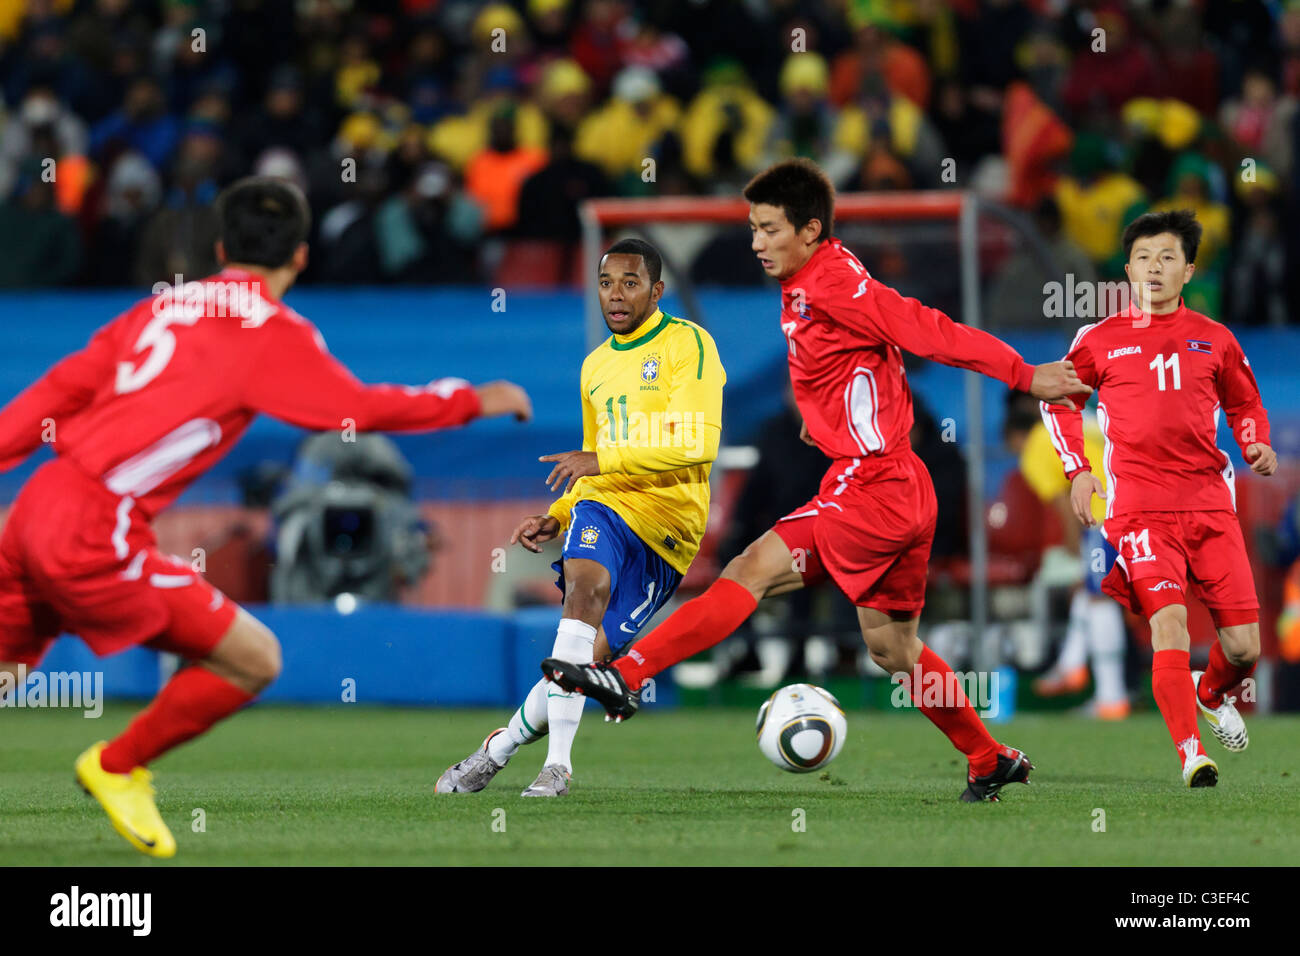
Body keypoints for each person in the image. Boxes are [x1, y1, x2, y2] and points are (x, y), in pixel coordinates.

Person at [0, 177, 533, 857]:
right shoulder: (273, 334)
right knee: (252, 659)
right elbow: (359, 411)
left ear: (222, 247)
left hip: (33, 509)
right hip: (91, 532)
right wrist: (469, 399)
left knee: (7, 669)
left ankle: (114, 765)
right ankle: (116, 766)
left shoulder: (159, 309)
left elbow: (58, 391)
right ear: (302, 257)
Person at [544, 158, 1090, 802]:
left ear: (809, 230)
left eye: (770, 229)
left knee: (749, 569)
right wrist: (821, 417)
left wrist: (1026, 376)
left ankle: (627, 673)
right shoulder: (813, 280)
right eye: (752, 228)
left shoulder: (834, 282)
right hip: (903, 486)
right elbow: (857, 360)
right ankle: (986, 755)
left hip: (870, 487)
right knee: (893, 648)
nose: (756, 242)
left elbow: (924, 328)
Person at [435, 238, 725, 797]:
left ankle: (497, 749)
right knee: (582, 594)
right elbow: (596, 460)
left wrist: (601, 460)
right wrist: (560, 513)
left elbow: (696, 444)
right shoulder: (595, 366)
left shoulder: (688, 345)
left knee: (583, 662)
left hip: (668, 533)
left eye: (630, 282)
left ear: (657, 291)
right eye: (606, 283)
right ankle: (558, 768)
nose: (615, 295)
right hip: (607, 507)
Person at [1042, 209, 1277, 787]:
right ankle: (1191, 754)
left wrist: (1255, 444)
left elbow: (1245, 404)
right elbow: (1058, 400)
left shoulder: (1216, 339)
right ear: (1127, 269)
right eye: (1144, 258)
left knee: (1244, 647)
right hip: (1140, 509)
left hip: (1209, 502)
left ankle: (1210, 689)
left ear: (1189, 270)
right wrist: (1078, 469)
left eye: (1167, 257)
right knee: (1168, 625)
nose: (1154, 268)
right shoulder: (1099, 339)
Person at [1004, 391, 1129, 718]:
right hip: (1130, 507)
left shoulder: (1032, 450)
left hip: (1102, 518)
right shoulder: (1071, 426)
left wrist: (1075, 542)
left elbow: (1062, 500)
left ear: (1014, 437)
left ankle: (1111, 698)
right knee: (1092, 595)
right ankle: (1073, 666)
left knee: (1100, 599)